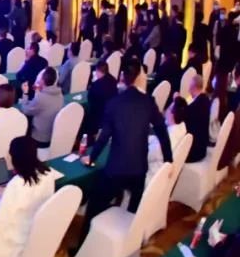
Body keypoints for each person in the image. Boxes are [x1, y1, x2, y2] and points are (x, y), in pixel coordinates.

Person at [77, 64, 172, 247]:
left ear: (123, 80)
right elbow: (162, 131)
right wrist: (169, 160)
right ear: (138, 79)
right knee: (134, 209)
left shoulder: (114, 103)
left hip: (116, 169)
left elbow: (104, 137)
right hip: (139, 169)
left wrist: (92, 158)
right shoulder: (148, 101)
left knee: (94, 204)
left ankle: (82, 245)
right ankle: (130, 243)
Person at [0, 135, 57, 257]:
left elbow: (1, 217)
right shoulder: (48, 173)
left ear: (14, 158)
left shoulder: (16, 184)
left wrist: (0, 195)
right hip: (35, 228)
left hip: (14, 236)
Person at [22, 67, 63, 147]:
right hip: (52, 135)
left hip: (39, 138)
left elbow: (26, 110)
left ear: (43, 80)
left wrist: (25, 94)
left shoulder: (41, 97)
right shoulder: (60, 94)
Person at [84, 60, 118, 139]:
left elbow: (90, 100)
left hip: (99, 116)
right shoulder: (113, 80)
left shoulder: (96, 85)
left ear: (99, 72)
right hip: (112, 113)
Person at [184, 74, 211, 163]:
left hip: (194, 151)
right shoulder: (206, 100)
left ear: (193, 87)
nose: (188, 90)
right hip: (202, 148)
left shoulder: (194, 107)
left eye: (189, 87)